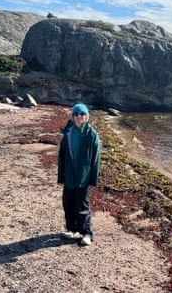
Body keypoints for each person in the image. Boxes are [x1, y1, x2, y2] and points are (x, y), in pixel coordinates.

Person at [57, 103, 101, 246]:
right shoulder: (68, 133)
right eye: (76, 114)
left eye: (82, 114)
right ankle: (72, 229)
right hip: (69, 176)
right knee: (68, 203)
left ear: (86, 116)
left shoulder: (92, 134)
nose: (79, 117)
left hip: (83, 177)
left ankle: (86, 233)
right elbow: (62, 156)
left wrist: (93, 178)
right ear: (73, 116)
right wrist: (61, 176)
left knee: (82, 206)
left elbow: (96, 159)